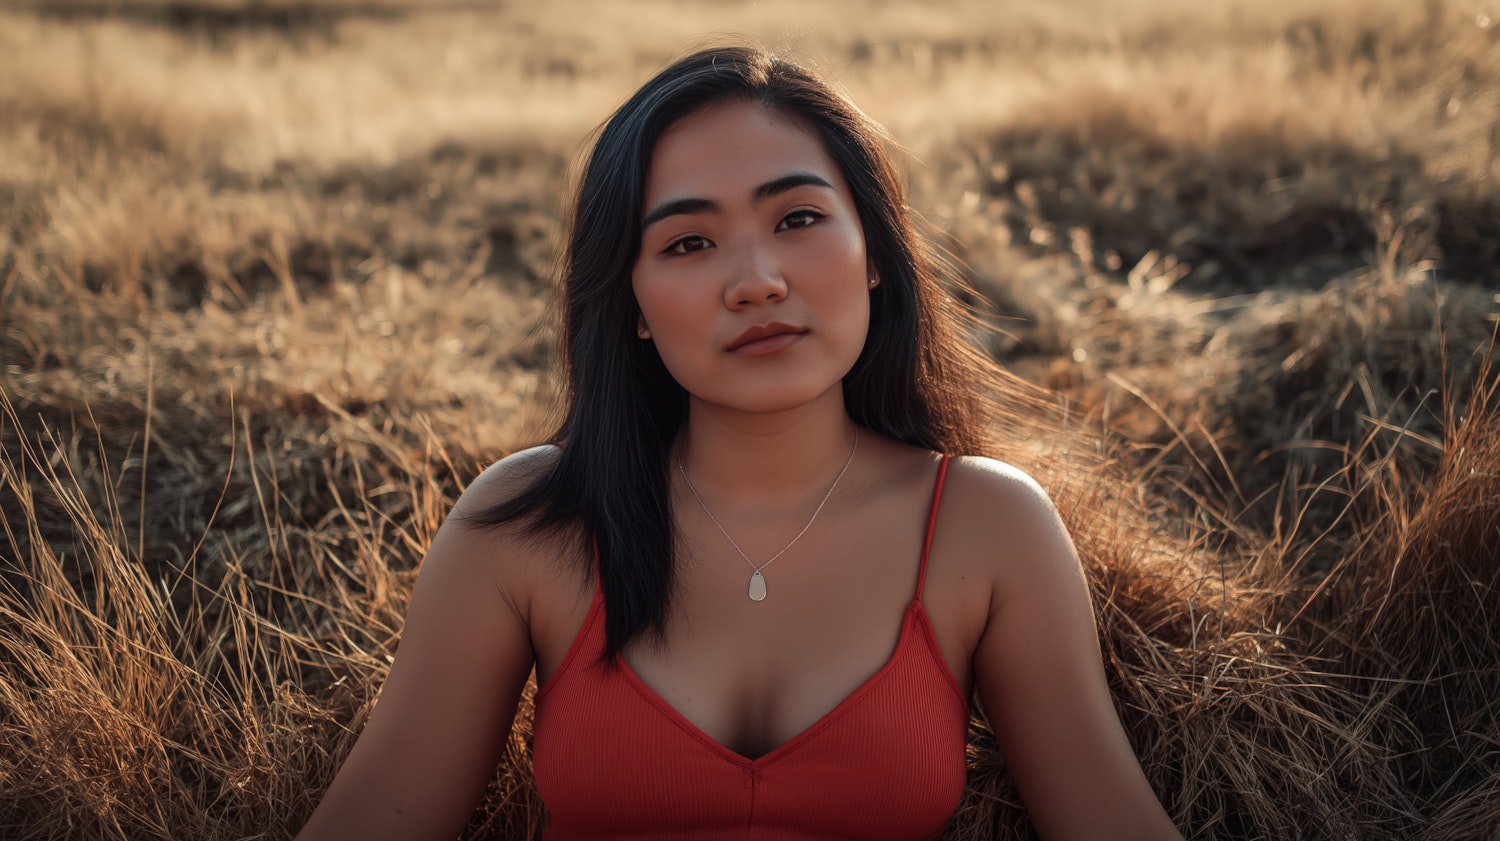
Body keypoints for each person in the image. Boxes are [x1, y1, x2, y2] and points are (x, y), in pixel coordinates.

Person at [296, 45, 1185, 841]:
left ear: (875, 250)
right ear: (632, 304)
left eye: (797, 219)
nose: (756, 282)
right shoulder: (530, 524)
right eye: (688, 242)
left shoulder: (985, 526)